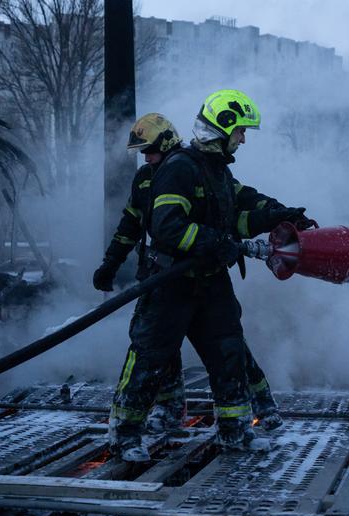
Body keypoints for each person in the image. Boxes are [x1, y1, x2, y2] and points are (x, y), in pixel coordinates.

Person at [104, 91, 311, 459]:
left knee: (228, 354)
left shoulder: (216, 171)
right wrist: (216, 241)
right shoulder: (179, 168)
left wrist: (280, 215)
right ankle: (125, 435)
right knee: (150, 357)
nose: (243, 139)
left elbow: (240, 211)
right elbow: (167, 226)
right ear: (223, 127)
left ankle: (235, 432)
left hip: (210, 280)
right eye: (241, 131)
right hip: (171, 283)